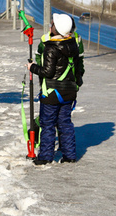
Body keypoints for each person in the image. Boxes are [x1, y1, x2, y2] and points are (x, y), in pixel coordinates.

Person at [26, 13, 84, 165]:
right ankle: (69, 155)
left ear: (55, 29)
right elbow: (78, 70)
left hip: (52, 93)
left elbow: (47, 72)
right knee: (65, 123)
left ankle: (45, 157)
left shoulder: (51, 48)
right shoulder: (74, 45)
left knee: (48, 124)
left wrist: (32, 67)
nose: (50, 26)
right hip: (69, 92)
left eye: (52, 24)